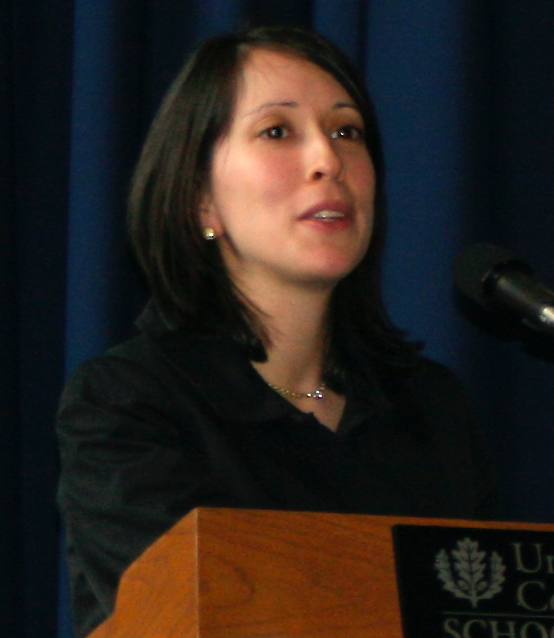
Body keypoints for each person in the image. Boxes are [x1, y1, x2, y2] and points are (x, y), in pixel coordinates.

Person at [56, 24, 499, 638]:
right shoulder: (131, 401)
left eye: (346, 132)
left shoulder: (431, 407)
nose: (328, 161)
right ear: (201, 200)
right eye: (277, 132)